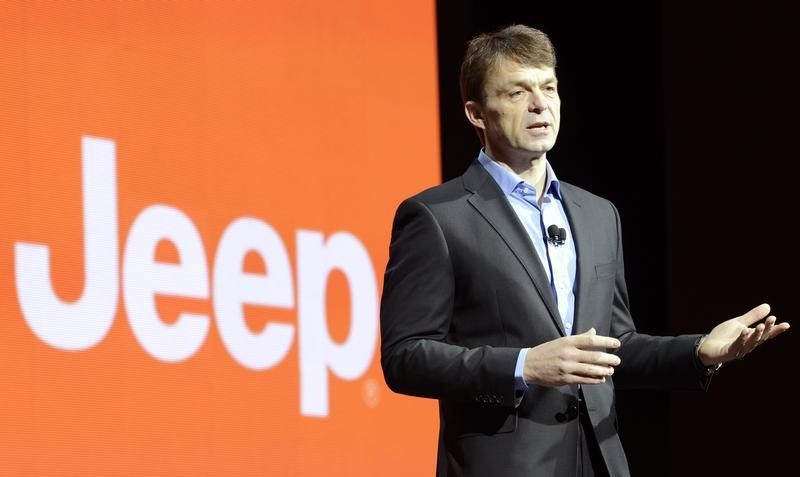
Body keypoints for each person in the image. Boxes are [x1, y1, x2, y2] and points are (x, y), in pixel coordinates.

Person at [379, 24, 789, 477]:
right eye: (517, 92)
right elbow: (406, 357)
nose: (540, 104)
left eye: (548, 87)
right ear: (477, 114)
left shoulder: (597, 214)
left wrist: (699, 352)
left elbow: (616, 347)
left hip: (601, 459)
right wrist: (524, 365)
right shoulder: (438, 216)